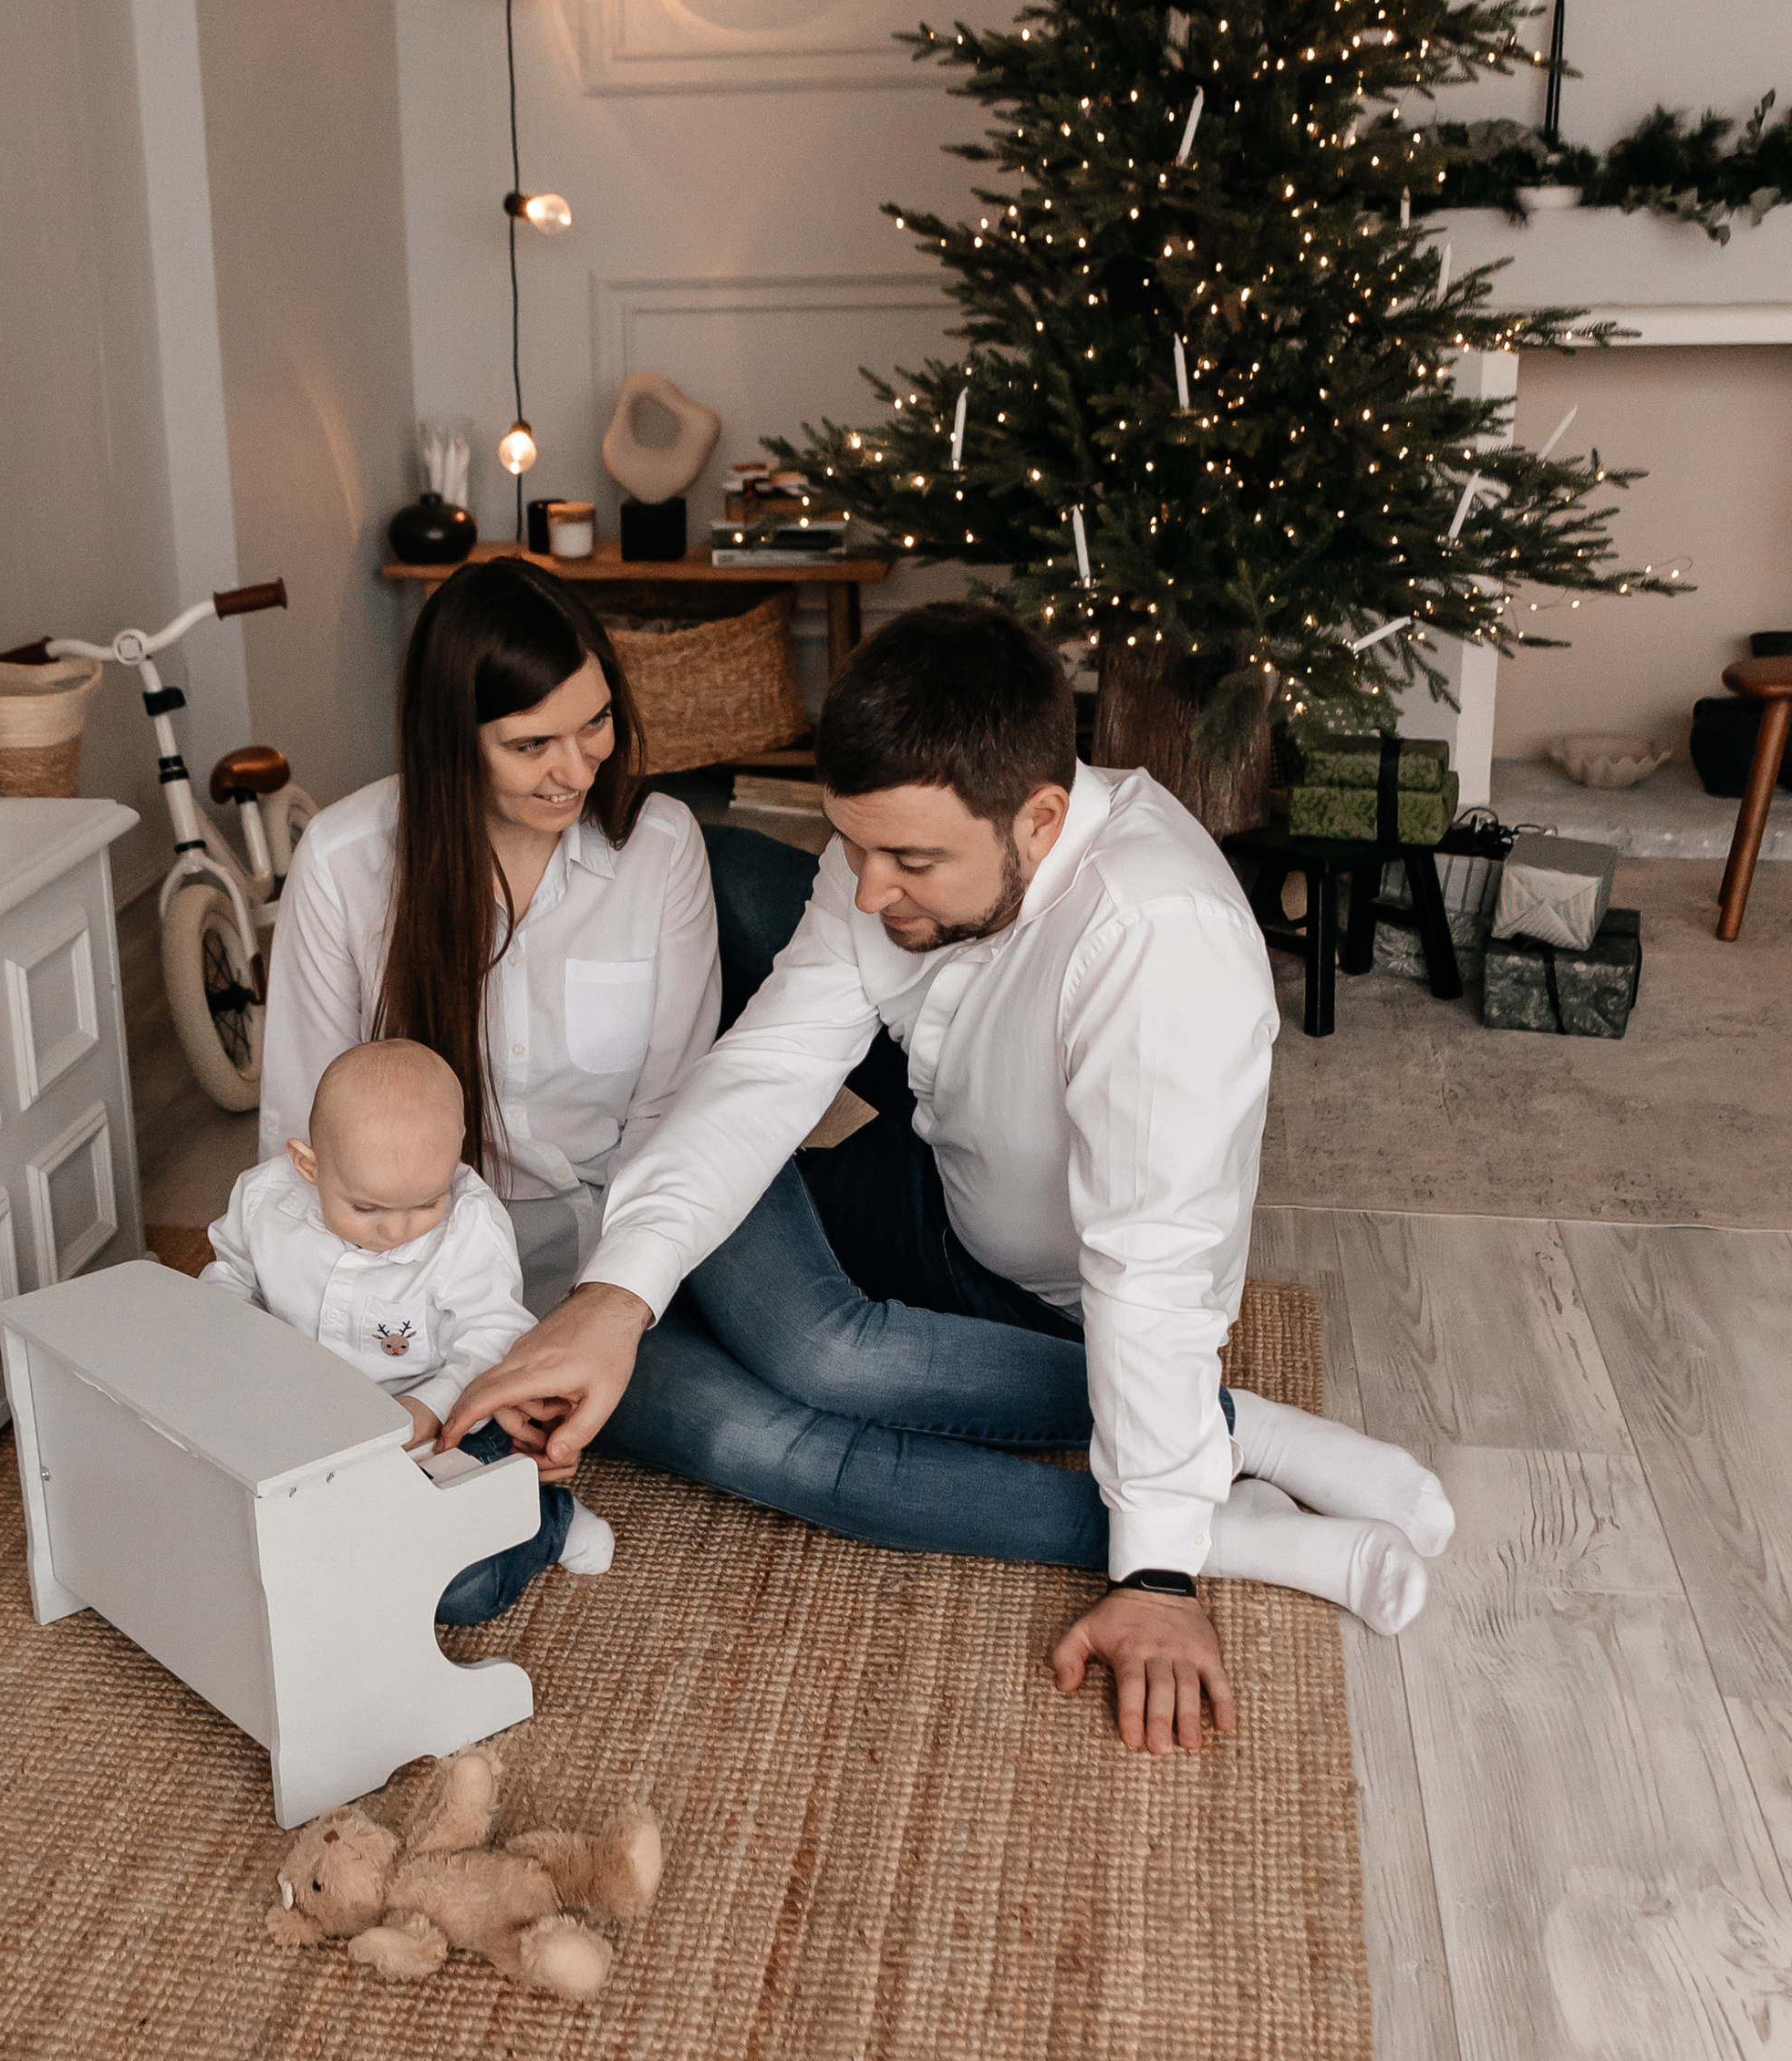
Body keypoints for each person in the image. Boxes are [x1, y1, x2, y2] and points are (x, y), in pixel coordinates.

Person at [442, 601, 1455, 1754]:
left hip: (1036, 1290)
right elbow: (768, 1069)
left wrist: (1160, 1568)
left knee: (797, 1366)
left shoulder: (1157, 941)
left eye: (909, 859)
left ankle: (1215, 1447)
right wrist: (613, 1299)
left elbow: (1150, 1262)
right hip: (941, 1162)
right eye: (853, 845)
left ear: (1040, 816)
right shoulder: (898, 858)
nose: (868, 891)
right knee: (600, 1325)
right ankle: (1229, 1442)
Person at [260, 554, 723, 1310]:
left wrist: (617, 1293)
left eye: (596, 723)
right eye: (530, 745)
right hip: (411, 1256)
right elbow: (301, 1123)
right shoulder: (344, 864)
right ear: (452, 740)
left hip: (619, 1237)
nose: (576, 771)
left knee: (738, 1415)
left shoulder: (661, 847)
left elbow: (671, 1109)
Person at [202, 1036, 612, 1622]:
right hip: (303, 1419)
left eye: (425, 1202)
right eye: (366, 1209)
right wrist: (231, 1346)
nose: (398, 1230)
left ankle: (548, 1521)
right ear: (308, 1165)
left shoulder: (469, 1226)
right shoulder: (263, 1200)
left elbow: (495, 1336)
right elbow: (229, 1275)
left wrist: (428, 1406)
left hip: (443, 1427)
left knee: (452, 1587)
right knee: (240, 1538)